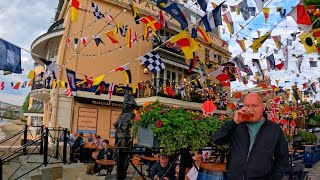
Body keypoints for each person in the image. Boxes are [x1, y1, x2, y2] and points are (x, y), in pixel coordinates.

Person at [213, 93, 288, 180]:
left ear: (263, 107)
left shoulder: (274, 129)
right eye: (247, 106)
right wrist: (234, 122)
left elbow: (283, 159)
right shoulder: (237, 125)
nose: (250, 109)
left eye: (254, 106)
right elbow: (217, 140)